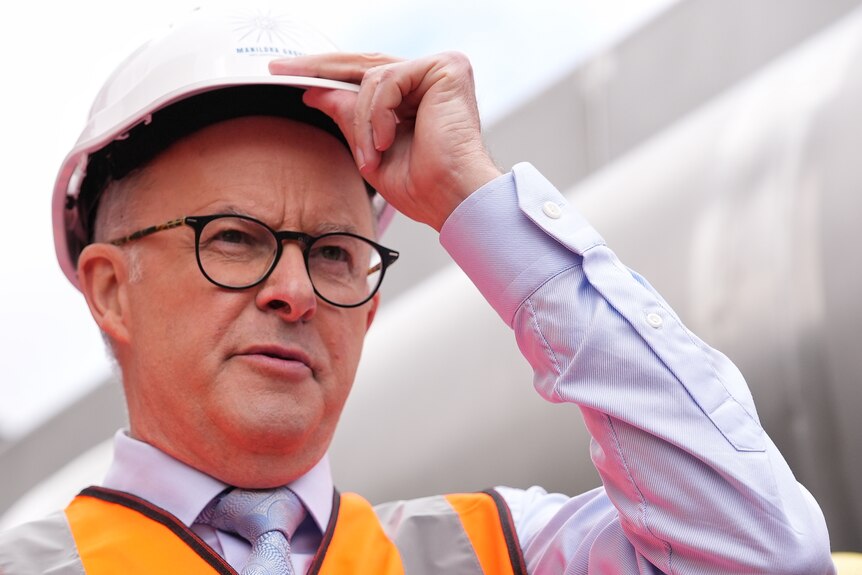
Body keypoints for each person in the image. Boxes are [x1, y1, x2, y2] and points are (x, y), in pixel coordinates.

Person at [0, 4, 835, 574]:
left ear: (368, 301)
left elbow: (759, 550)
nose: (295, 290)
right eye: (235, 239)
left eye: (333, 253)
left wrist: (477, 200)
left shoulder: (491, 550)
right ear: (110, 288)